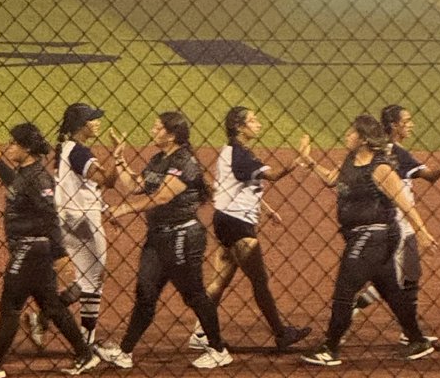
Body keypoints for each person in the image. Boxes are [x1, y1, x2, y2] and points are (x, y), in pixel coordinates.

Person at [297, 113, 437, 367]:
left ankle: (330, 348)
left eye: (351, 133)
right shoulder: (350, 160)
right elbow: (331, 179)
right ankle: (417, 340)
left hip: (375, 235)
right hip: (363, 236)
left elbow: (404, 204)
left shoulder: (381, 168)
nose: (347, 136)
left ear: (362, 139)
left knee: (344, 290)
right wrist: (309, 161)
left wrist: (423, 233)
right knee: (391, 291)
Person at [95, 111, 230, 371]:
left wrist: (123, 209)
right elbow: (137, 186)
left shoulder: (185, 162)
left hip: (182, 236)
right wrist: (119, 158)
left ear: (171, 134)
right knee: (145, 294)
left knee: (193, 294)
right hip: (157, 237)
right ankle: (124, 352)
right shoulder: (158, 159)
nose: (152, 130)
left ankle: (218, 349)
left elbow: (161, 197)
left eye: (157, 128)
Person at [0, 123, 98, 378]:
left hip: (31, 249)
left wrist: (60, 255)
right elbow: (16, 185)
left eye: (13, 143)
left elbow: (50, 217)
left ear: (26, 148)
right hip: (31, 250)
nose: (9, 147)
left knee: (11, 303)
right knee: (51, 306)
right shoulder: (26, 173)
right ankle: (85, 354)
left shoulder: (39, 178)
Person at [346, 105, 440, 346]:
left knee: (409, 276)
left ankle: (407, 331)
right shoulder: (397, 153)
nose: (411, 124)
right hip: (398, 222)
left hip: (395, 221)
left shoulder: (378, 149)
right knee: (396, 279)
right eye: (407, 120)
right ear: (394, 125)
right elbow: (431, 176)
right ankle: (355, 308)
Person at [187, 107, 309, 353]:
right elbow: (273, 175)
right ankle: (281, 333)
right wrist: (298, 160)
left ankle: (200, 332)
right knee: (260, 281)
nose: (259, 124)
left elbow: (236, 188)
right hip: (237, 224)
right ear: (239, 126)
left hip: (227, 220)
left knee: (219, 282)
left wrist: (266, 209)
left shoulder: (232, 152)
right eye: (253, 120)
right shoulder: (240, 155)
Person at [51, 103, 124, 347]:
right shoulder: (79, 153)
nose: (97, 122)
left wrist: (104, 208)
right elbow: (107, 181)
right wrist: (117, 154)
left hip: (69, 218)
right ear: (82, 125)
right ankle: (86, 341)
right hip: (82, 220)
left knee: (87, 278)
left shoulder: (65, 148)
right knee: (94, 279)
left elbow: (85, 187)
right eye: (93, 119)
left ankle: (44, 316)